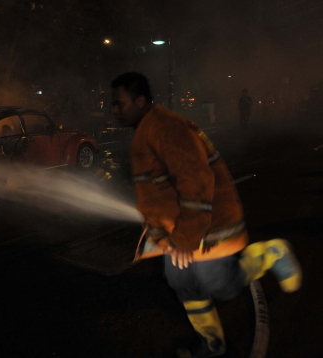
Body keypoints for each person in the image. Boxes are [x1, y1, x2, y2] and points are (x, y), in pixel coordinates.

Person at [110, 72, 302, 358]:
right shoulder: (148, 130)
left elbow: (196, 181)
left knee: (221, 287)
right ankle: (212, 344)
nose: (115, 110)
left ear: (140, 101)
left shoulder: (166, 127)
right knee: (182, 284)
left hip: (210, 228)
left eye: (120, 103)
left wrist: (185, 238)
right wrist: (162, 233)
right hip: (177, 234)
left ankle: (273, 252)